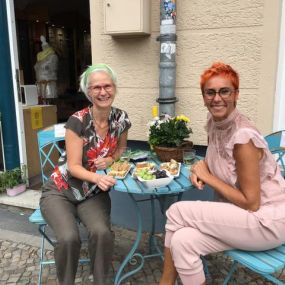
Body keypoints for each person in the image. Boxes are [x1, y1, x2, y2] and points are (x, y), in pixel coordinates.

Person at [159, 62, 285, 285]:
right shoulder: (215, 123)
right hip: (238, 217)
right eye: (210, 92)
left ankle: (165, 283)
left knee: (177, 211)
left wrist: (208, 177)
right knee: (182, 241)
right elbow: (212, 161)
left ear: (236, 94)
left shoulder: (243, 138)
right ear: (204, 97)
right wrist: (202, 170)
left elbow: (251, 202)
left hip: (267, 221)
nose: (217, 98)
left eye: (224, 91)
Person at [40, 63, 131, 285]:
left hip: (91, 193)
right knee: (68, 238)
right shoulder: (77, 121)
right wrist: (99, 177)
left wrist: (110, 159)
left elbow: (121, 150)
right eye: (96, 87)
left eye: (107, 86)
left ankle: (99, 279)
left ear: (115, 88)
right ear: (88, 92)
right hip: (61, 191)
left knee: (102, 233)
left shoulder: (121, 119)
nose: (103, 92)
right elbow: (73, 166)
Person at [34, 35, 58, 103]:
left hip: (49, 83)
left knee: (49, 101)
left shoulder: (53, 56)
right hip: (40, 83)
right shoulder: (39, 57)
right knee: (42, 101)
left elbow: (53, 68)